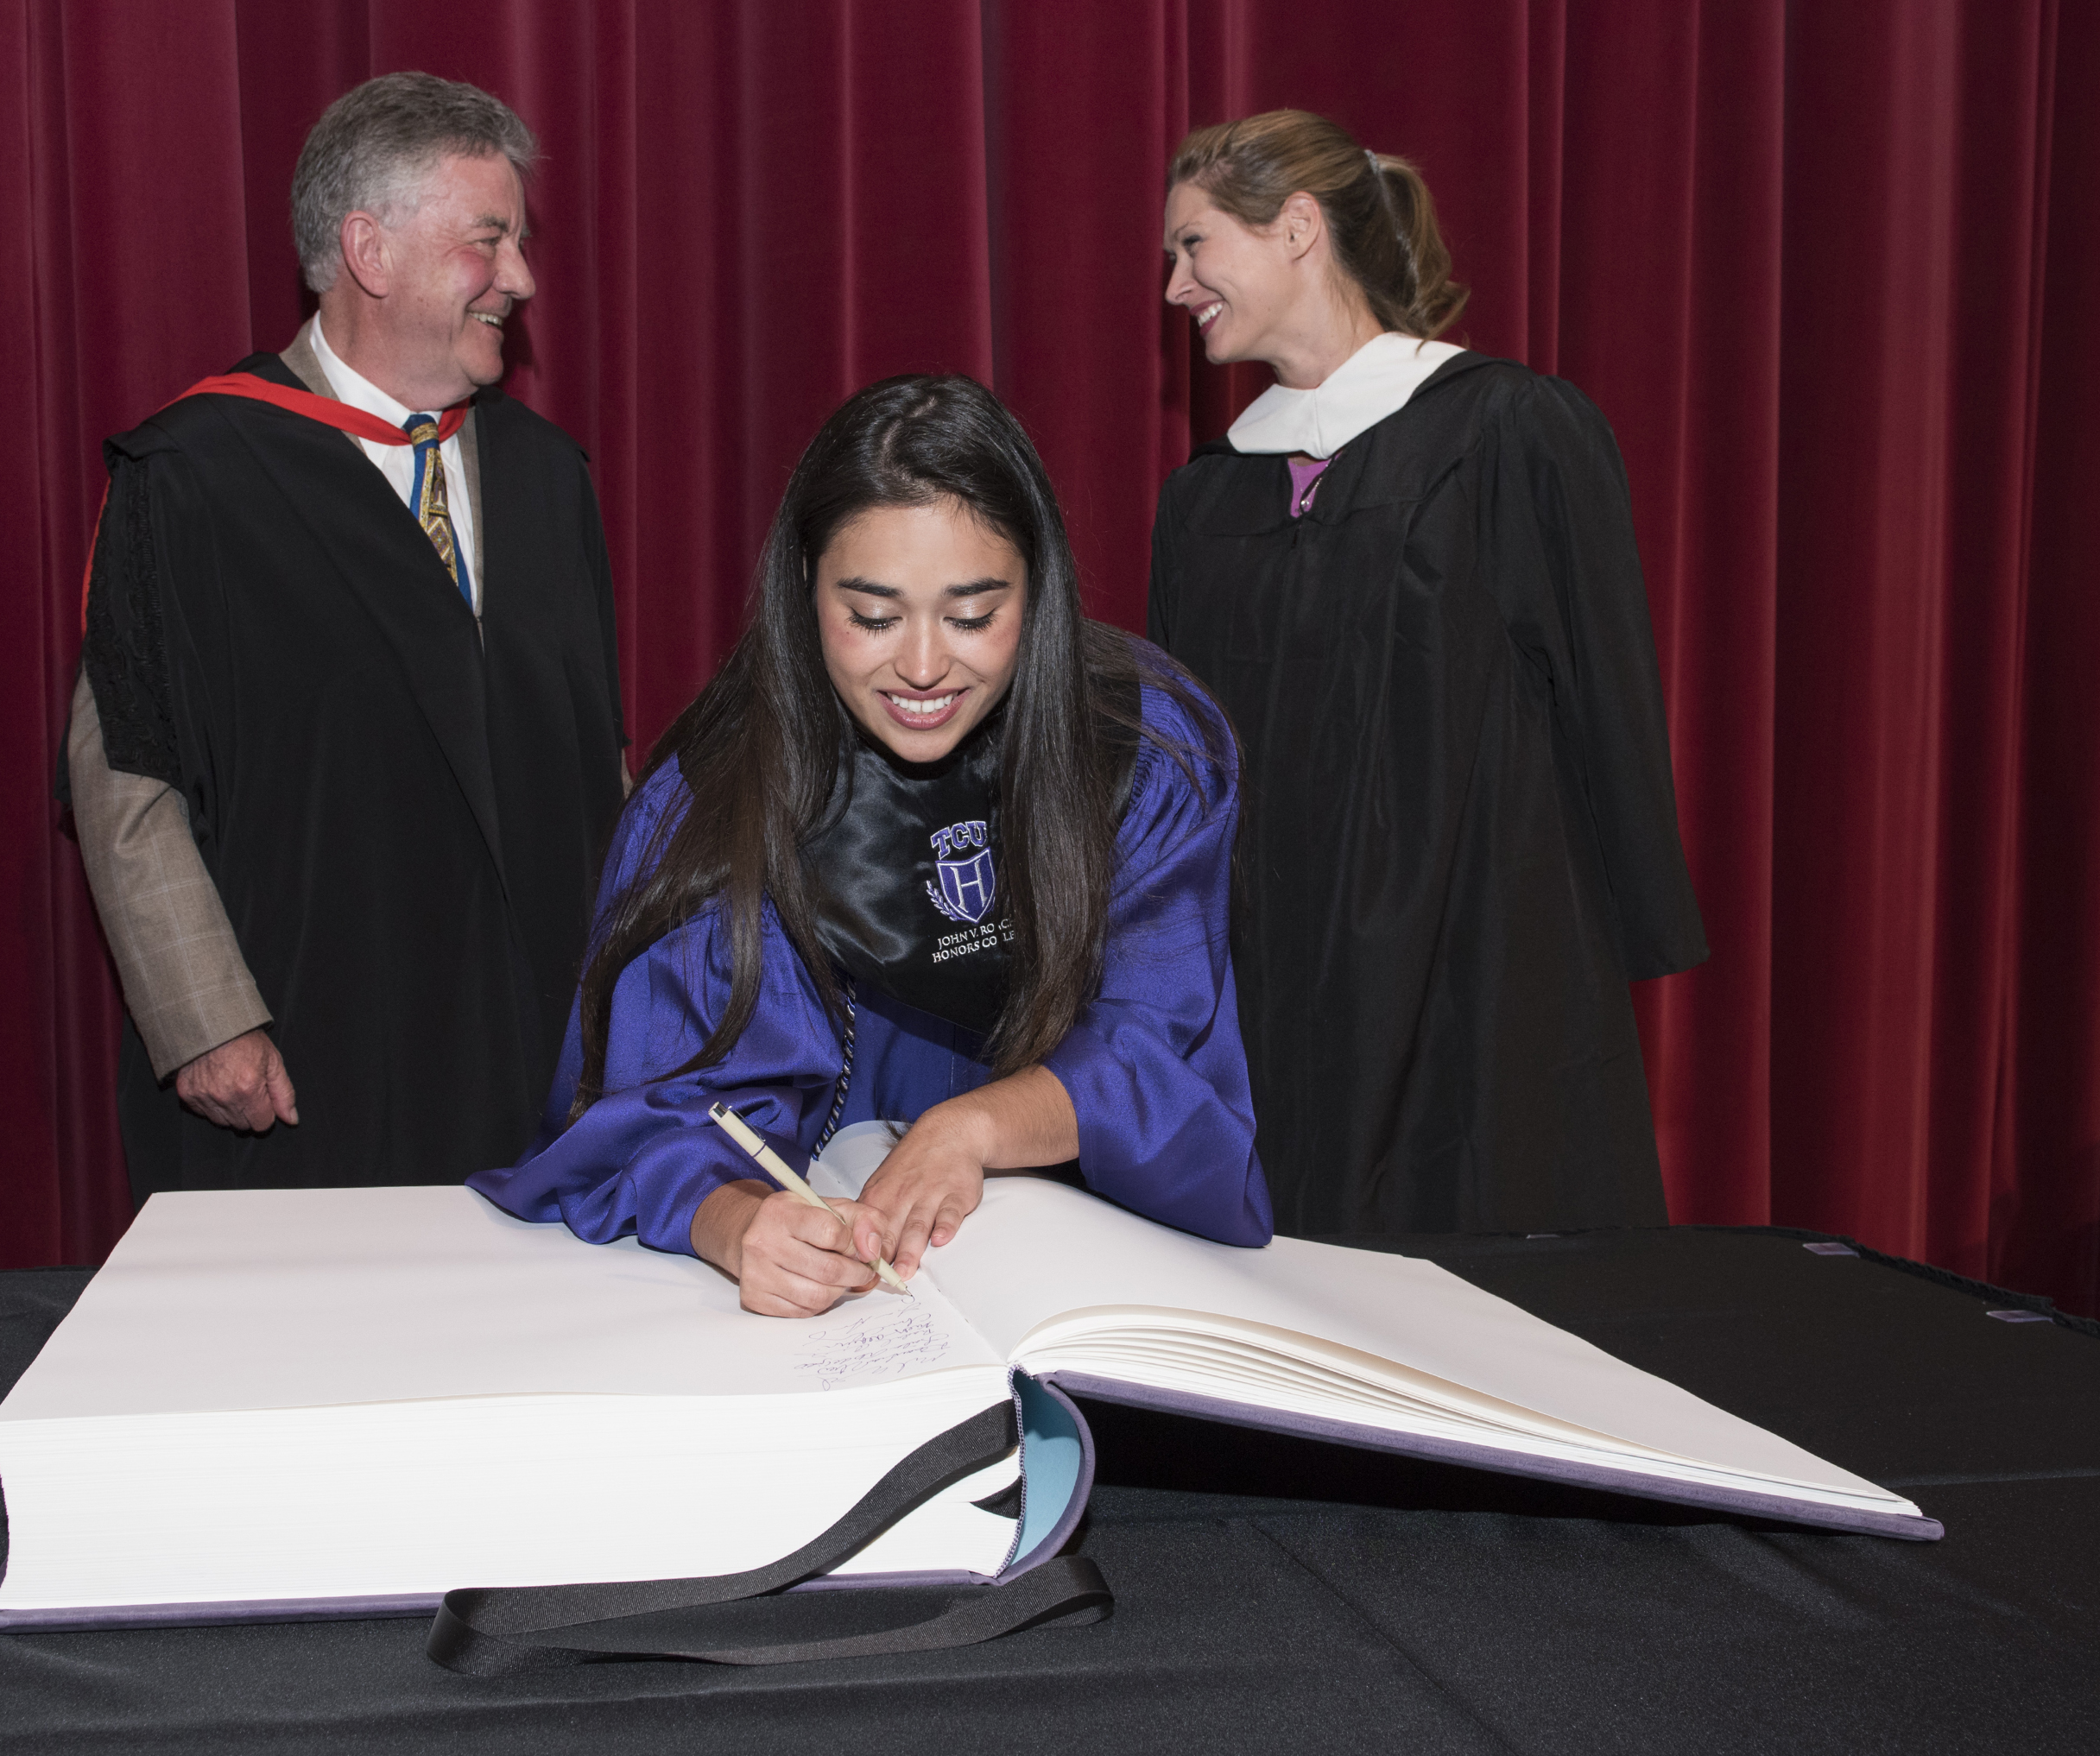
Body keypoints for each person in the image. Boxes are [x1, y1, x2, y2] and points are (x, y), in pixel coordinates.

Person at [472, 375, 1269, 1316]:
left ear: (1040, 588)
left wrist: (972, 1127)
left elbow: (1159, 1048)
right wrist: (735, 1224)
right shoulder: (716, 799)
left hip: (1081, 1255)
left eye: (973, 615)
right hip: (835, 1244)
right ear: (806, 588)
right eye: (874, 617)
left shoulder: (1143, 750)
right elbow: (651, 1114)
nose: (924, 667)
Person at [65, 73, 626, 1199]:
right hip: (308, 1062)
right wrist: (205, 1020)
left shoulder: (546, 477)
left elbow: (598, 763)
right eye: (489, 240)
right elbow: (128, 775)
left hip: (537, 1058)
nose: (520, 278)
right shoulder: (194, 476)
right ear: (370, 250)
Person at [1148, 110, 1708, 1236]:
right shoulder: (1210, 491)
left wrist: (1623, 926)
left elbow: (1605, 694)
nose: (1174, 286)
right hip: (1277, 972)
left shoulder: (1507, 431)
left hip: (1473, 958)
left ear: (1296, 227)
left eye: (1194, 245)